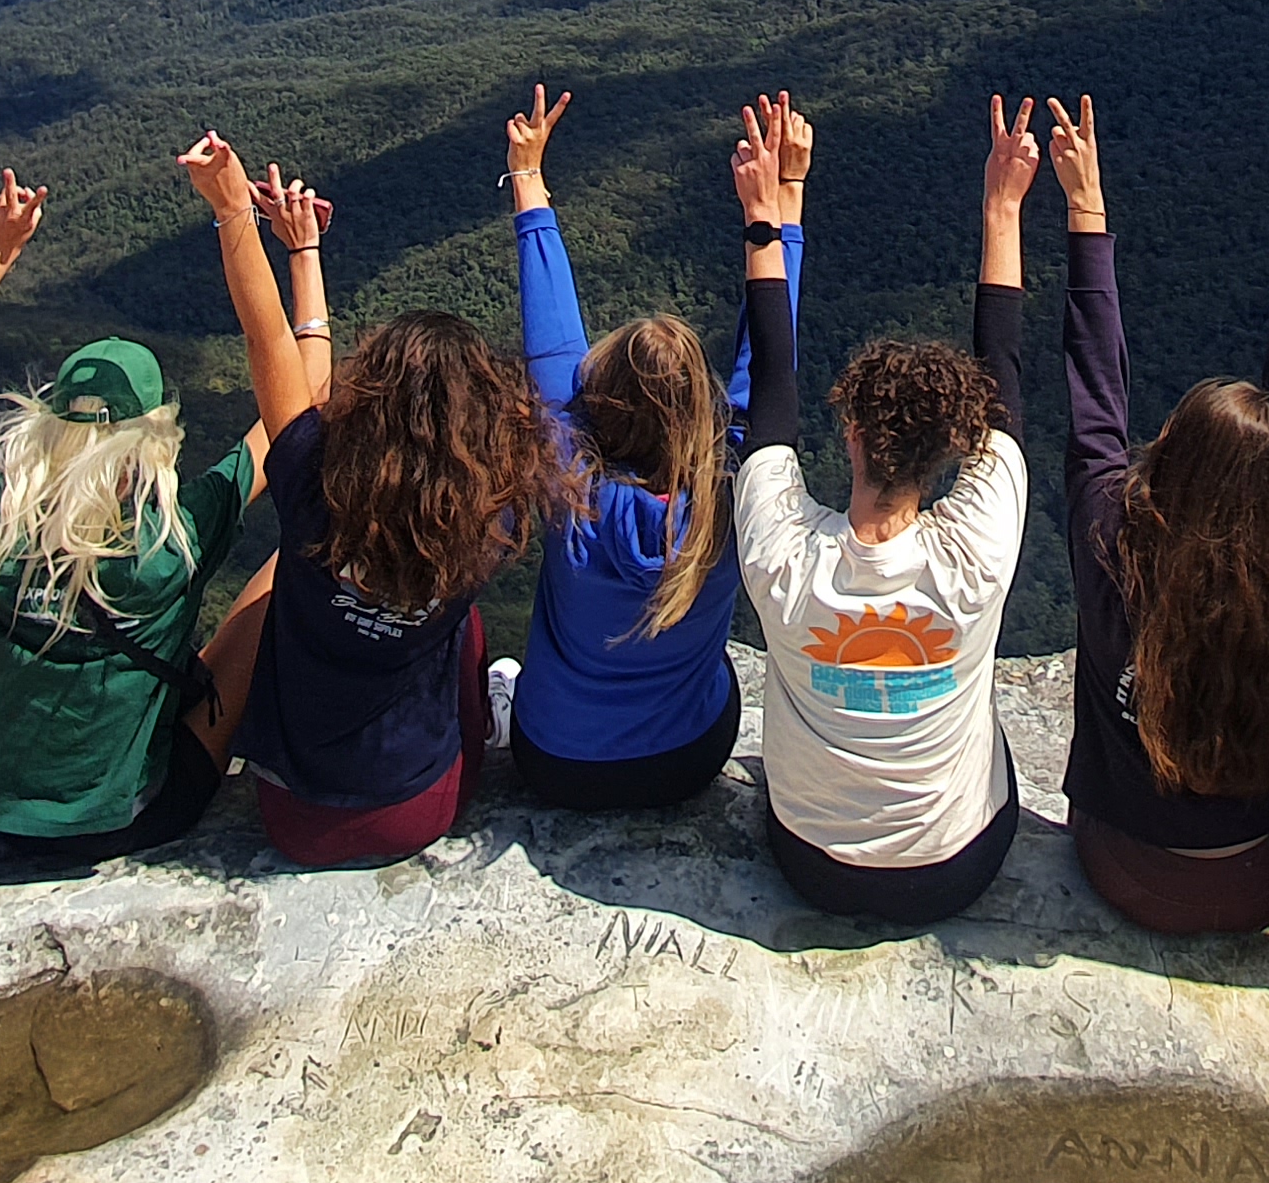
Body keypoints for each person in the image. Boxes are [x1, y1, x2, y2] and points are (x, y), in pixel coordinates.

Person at [0, 144, 313, 878]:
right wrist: (283, 242)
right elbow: (298, 404)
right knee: (291, 562)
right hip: (132, 819)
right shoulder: (176, 535)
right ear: (154, 435)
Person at [739, 96, 1035, 923]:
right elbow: (1003, 372)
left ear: (850, 434)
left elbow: (772, 387)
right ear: (955, 445)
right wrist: (1003, 206)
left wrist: (770, 216)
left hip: (814, 864)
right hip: (957, 865)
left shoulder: (782, 558)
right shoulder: (976, 554)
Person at [229, 155, 566, 867]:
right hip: (421, 807)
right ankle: (489, 717)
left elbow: (270, 345)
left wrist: (261, 228)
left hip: (292, 812)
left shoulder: (311, 487)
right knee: (466, 626)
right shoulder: (491, 522)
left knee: (285, 581)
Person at [1052, 99, 1269, 934]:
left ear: (1168, 458)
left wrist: (1086, 208)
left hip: (1129, 869)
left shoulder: (1111, 539)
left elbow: (1095, 394)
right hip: (1267, 872)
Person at [504, 83, 803, 812]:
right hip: (685, 760)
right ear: (702, 410)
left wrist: (528, 177)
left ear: (595, 403)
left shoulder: (567, 474)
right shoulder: (732, 494)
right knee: (721, 676)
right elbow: (769, 361)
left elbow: (550, 337)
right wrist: (781, 204)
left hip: (554, 760)